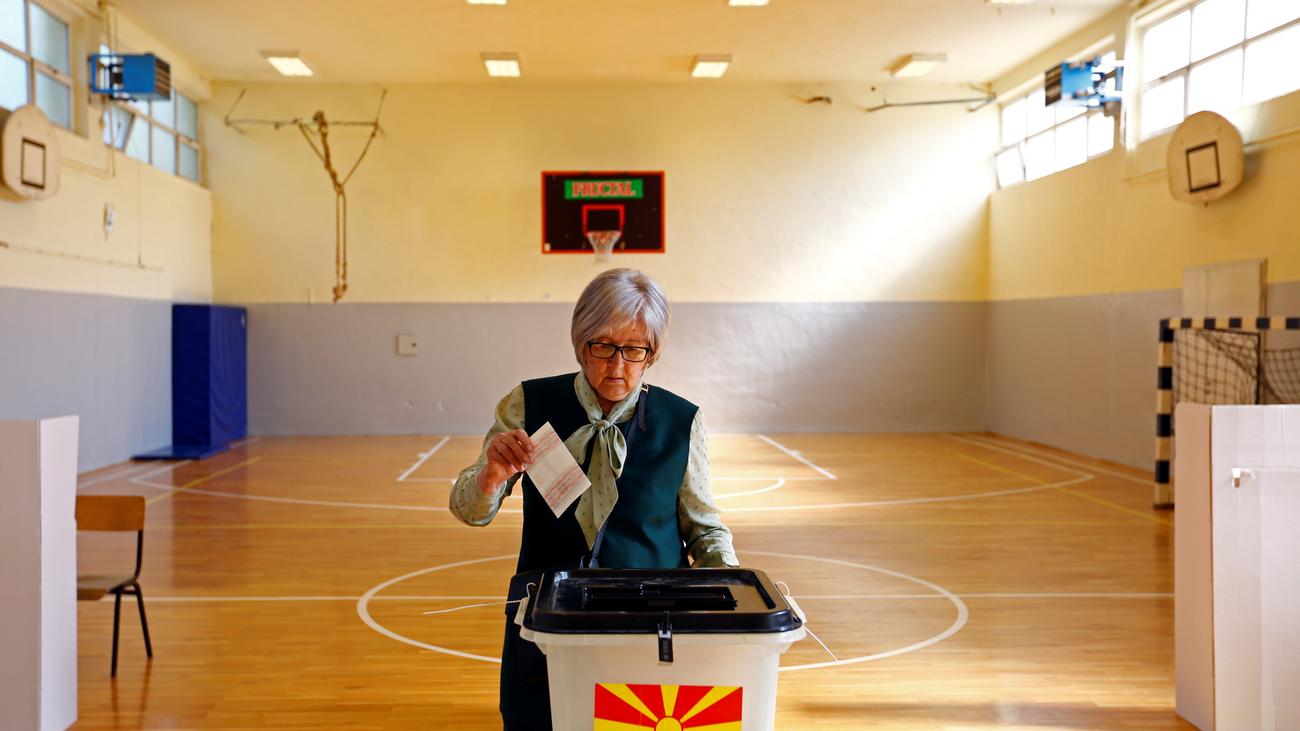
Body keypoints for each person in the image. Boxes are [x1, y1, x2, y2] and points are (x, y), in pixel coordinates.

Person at [449, 267, 739, 731]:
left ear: (653, 353)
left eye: (634, 349)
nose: (617, 365)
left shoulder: (682, 421)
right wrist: (490, 477)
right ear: (580, 342)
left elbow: (704, 529)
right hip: (547, 622)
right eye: (602, 346)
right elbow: (468, 511)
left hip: (650, 625)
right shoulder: (528, 403)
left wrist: (735, 585)